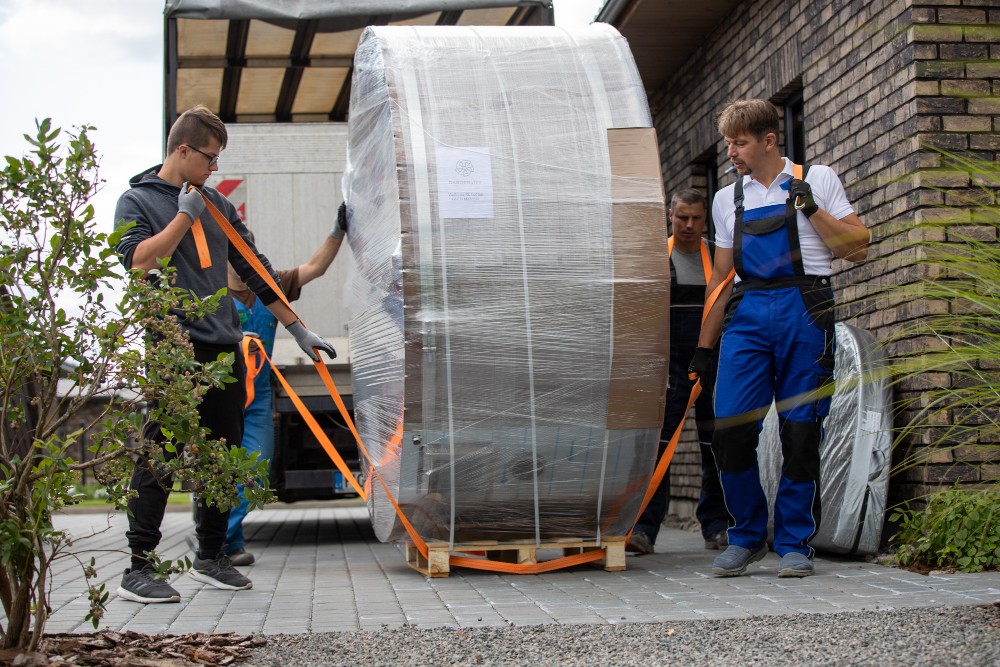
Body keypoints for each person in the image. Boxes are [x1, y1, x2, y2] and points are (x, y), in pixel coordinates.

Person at [113, 105, 336, 604]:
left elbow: (256, 269)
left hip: (223, 349)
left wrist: (298, 329)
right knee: (160, 457)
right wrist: (181, 217)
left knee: (223, 457)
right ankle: (139, 567)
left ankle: (212, 557)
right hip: (174, 350)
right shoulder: (137, 202)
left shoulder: (219, 206)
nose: (215, 169)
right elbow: (139, 261)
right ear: (183, 150)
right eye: (210, 159)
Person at [689, 99, 869, 578]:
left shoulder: (819, 178)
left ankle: (793, 542)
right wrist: (705, 348)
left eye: (740, 143)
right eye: (728, 143)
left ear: (770, 140)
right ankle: (746, 536)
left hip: (806, 310)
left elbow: (858, 249)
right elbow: (722, 279)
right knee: (729, 430)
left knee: (801, 430)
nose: (732, 151)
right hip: (748, 315)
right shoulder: (728, 199)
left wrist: (809, 207)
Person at [221, 206, 347, 565]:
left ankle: (225, 540)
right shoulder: (209, 288)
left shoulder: (271, 285)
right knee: (217, 469)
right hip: (221, 396)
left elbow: (315, 268)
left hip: (258, 398)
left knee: (256, 467)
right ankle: (223, 544)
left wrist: (337, 230)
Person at [626, 189, 731, 555]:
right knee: (658, 445)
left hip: (709, 362)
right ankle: (643, 529)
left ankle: (717, 526)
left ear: (706, 220)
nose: (688, 225)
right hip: (667, 365)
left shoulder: (719, 258)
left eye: (696, 219)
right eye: (681, 217)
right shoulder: (656, 259)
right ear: (670, 216)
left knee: (714, 444)